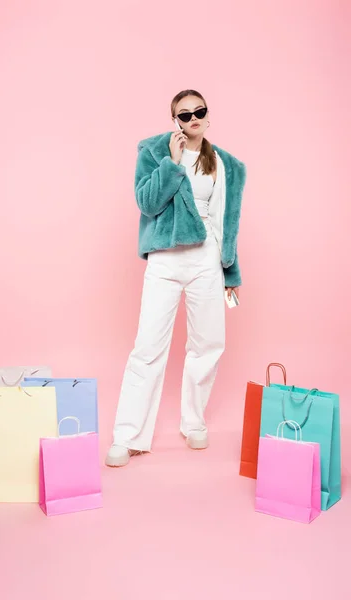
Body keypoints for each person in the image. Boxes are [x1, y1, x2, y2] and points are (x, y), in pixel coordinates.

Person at [106, 89, 247, 467]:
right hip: (165, 259)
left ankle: (194, 420)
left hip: (206, 259)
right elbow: (147, 204)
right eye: (185, 115)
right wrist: (171, 163)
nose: (193, 118)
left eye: (199, 111)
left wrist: (229, 269)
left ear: (207, 115)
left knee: (208, 343)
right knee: (147, 347)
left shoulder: (224, 164)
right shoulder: (153, 151)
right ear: (175, 121)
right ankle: (128, 435)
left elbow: (225, 223)